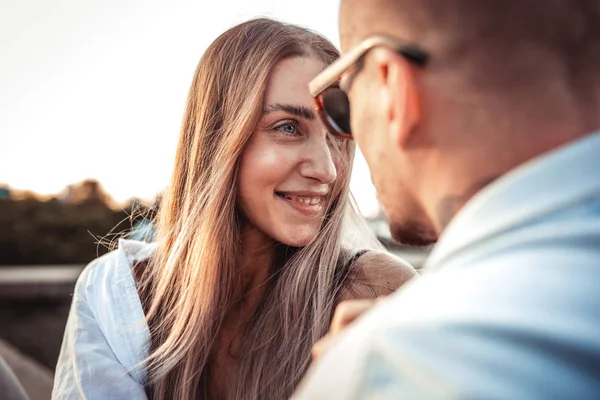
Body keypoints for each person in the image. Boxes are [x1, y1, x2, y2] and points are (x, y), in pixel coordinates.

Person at [51, 18, 417, 400]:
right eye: (289, 127)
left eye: (338, 135)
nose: (327, 169)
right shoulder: (119, 293)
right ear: (217, 137)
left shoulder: (377, 292)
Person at [294, 0, 600, 398]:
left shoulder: (399, 365)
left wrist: (365, 367)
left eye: (339, 105)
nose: (335, 165)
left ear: (391, 86)